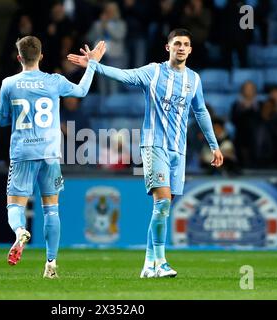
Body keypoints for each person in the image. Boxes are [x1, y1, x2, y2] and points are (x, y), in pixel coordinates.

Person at [68, 28, 223, 278]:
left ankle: (148, 265)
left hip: (178, 150)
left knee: (163, 207)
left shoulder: (194, 79)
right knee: (162, 203)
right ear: (168, 47)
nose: (181, 48)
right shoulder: (153, 72)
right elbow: (124, 76)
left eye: (185, 44)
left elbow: (201, 112)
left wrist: (214, 145)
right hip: (154, 145)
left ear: (191, 49)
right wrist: (94, 65)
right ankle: (160, 262)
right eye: (177, 44)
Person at [0, 36, 106, 278]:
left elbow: (2, 120)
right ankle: (51, 264)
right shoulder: (54, 81)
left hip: (22, 152)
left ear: (19, 58)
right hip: (50, 153)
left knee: (15, 205)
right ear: (41, 56)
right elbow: (82, 90)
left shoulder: (9, 84)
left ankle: (20, 232)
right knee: (51, 210)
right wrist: (93, 65)